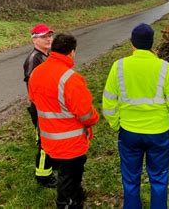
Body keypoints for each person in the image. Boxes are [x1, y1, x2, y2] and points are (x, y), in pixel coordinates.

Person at [102, 23, 169, 209]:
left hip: (129, 132)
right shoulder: (165, 68)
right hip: (158, 132)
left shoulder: (119, 67)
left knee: (130, 178)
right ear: (152, 44)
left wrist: (116, 124)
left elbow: (108, 102)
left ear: (132, 43)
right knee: (159, 178)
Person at [29, 33, 99, 208]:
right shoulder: (70, 79)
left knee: (66, 174)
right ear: (72, 52)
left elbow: (34, 100)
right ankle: (67, 203)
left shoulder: (37, 72)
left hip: (48, 140)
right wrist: (95, 117)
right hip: (70, 143)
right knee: (69, 177)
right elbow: (86, 114)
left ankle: (76, 196)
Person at [23, 23, 56, 188]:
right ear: (35, 40)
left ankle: (50, 165)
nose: (49, 38)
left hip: (49, 105)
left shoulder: (47, 55)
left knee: (48, 138)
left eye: (50, 35)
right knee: (45, 142)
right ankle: (43, 175)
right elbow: (33, 87)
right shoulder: (34, 59)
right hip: (40, 107)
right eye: (44, 36)